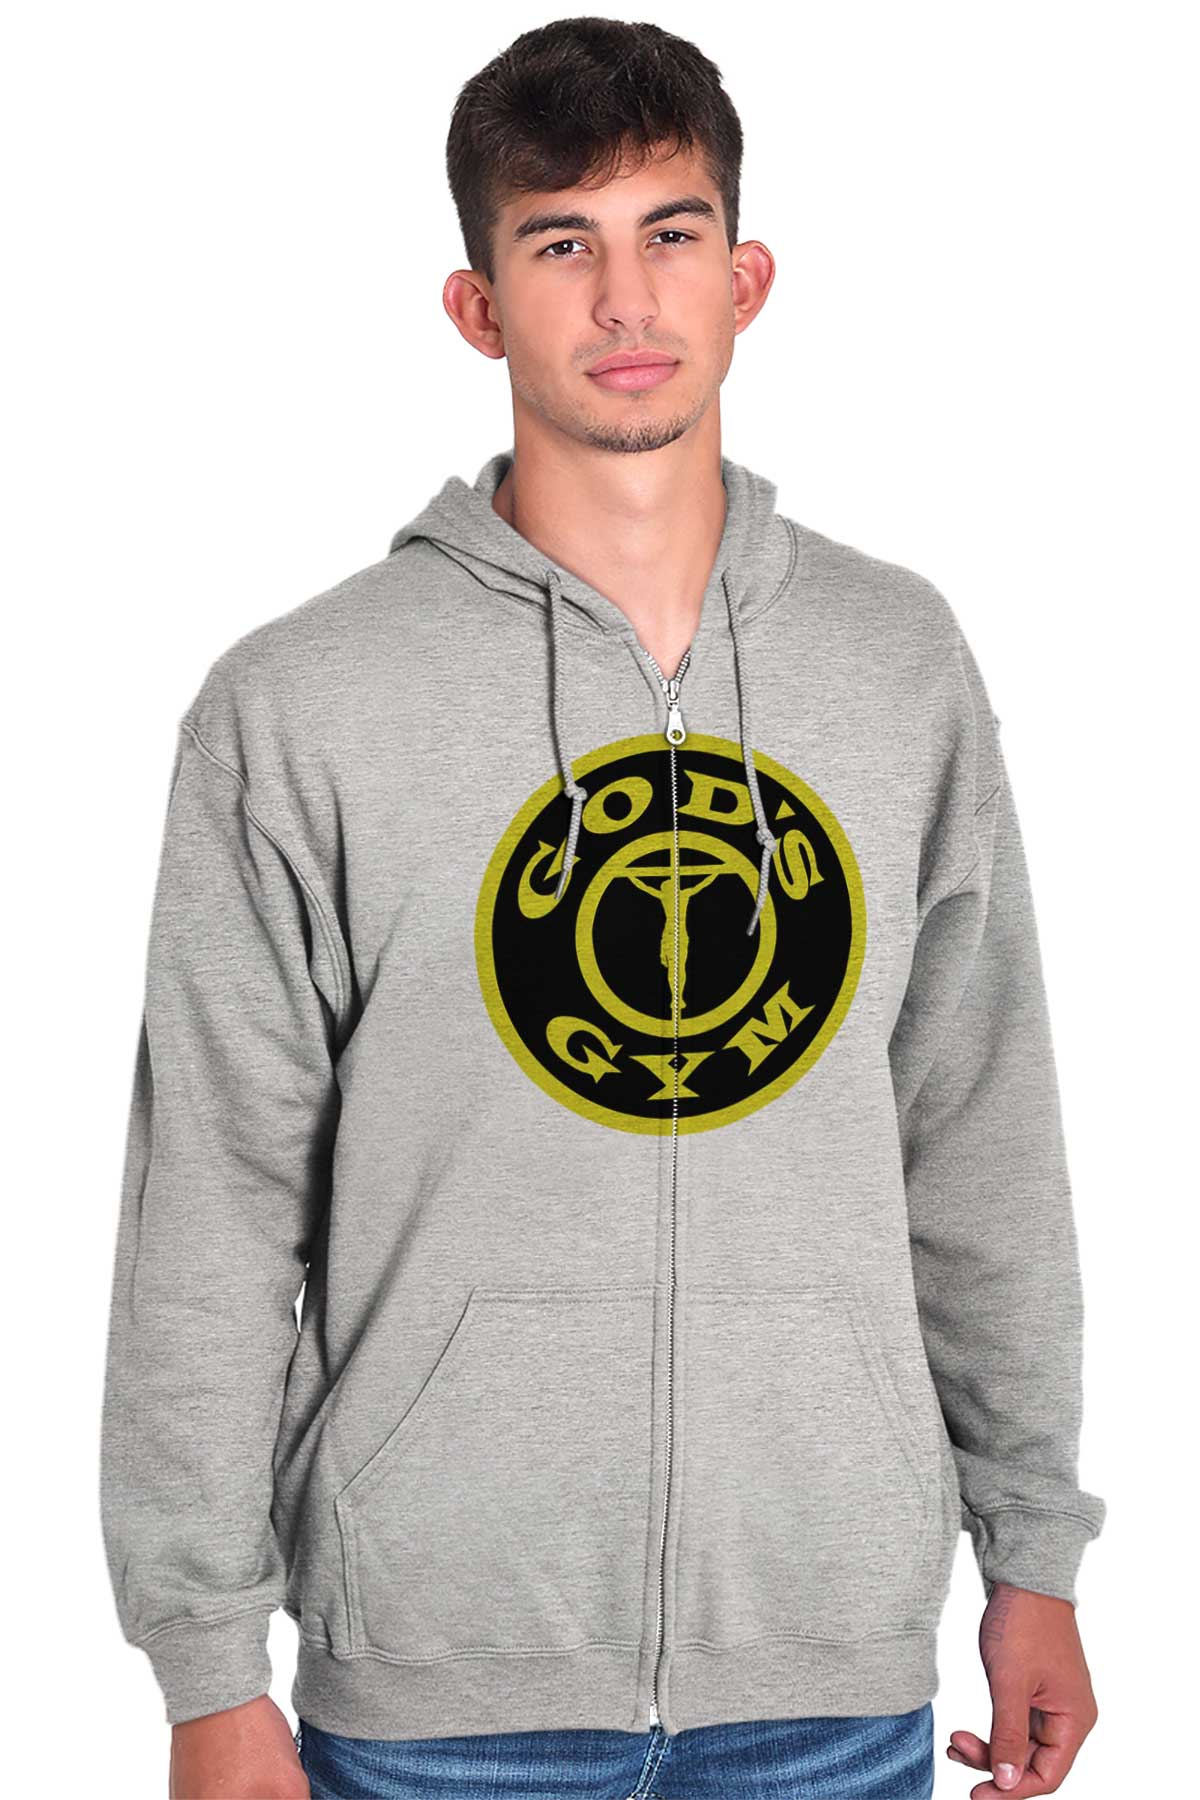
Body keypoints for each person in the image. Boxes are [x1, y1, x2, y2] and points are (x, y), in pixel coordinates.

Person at [99, 17, 1106, 1800]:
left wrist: (1034, 1551)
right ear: (478, 306)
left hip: (828, 1671)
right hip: (435, 1689)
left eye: (671, 233)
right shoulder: (301, 702)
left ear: (748, 279)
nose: (626, 299)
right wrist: (205, 1665)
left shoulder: (897, 663)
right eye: (561, 242)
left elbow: (978, 1133)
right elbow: (217, 1207)